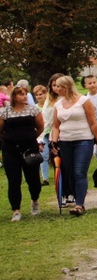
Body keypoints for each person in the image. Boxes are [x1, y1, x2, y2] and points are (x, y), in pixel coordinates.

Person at [50, 75, 97, 216]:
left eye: (59, 86)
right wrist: (54, 141)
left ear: (66, 87)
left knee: (80, 172)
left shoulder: (84, 101)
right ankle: (77, 198)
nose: (56, 88)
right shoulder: (58, 104)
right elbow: (56, 125)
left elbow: (93, 123)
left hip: (83, 139)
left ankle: (79, 204)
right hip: (65, 141)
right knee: (71, 173)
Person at [0, 86, 44, 221]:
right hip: (11, 150)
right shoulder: (5, 112)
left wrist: (30, 138)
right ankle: (16, 210)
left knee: (33, 179)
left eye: (25, 94)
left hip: (29, 149)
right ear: (14, 97)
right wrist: (8, 140)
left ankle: (35, 200)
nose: (24, 96)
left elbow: (40, 127)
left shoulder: (33, 110)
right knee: (14, 180)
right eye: (21, 94)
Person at [33, 85, 52, 186]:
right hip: (42, 133)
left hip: (52, 131)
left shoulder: (51, 106)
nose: (39, 96)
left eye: (41, 94)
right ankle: (45, 178)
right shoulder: (35, 108)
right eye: (37, 95)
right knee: (44, 155)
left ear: (46, 94)